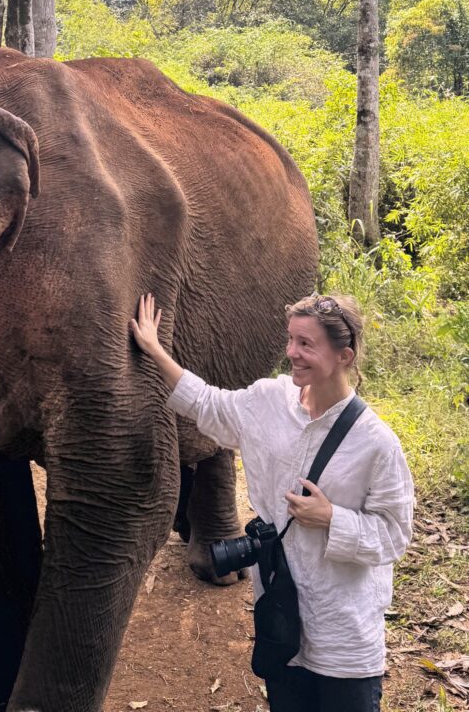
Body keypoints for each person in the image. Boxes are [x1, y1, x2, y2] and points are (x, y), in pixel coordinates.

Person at [130, 291, 414, 712]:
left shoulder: (375, 443)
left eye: (306, 344)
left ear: (345, 356)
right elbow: (207, 402)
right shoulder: (267, 402)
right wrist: (154, 349)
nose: (292, 353)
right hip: (279, 621)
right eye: (291, 340)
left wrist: (333, 518)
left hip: (344, 637)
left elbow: (395, 535)